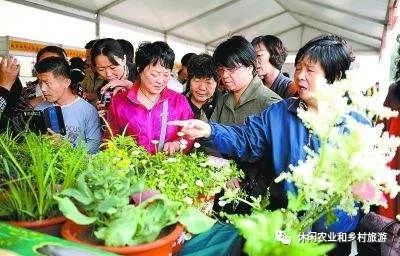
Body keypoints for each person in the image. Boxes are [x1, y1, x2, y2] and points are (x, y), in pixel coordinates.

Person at [170, 35, 364, 235]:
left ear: (337, 76)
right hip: (286, 227)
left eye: (310, 70)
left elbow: (368, 185)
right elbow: (247, 138)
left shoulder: (358, 126)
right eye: (298, 68)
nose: (300, 76)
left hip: (334, 232)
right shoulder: (281, 112)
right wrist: (210, 130)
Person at [106, 41, 194, 155]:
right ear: (139, 70)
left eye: (166, 75)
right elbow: (110, 139)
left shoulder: (179, 102)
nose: (160, 80)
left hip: (167, 168)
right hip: (130, 168)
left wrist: (177, 144)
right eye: (154, 74)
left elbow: (190, 135)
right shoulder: (119, 102)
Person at [35, 57, 101, 154]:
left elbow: (94, 146)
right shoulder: (40, 109)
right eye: (40, 83)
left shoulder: (88, 111)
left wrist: (66, 148)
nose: (43, 89)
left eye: (47, 83)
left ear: (66, 82)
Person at [186, 53, 219, 121]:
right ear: (189, 80)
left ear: (217, 83)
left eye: (208, 82)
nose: (202, 88)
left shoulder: (222, 102)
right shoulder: (179, 101)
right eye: (197, 80)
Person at [81, 39, 104, 105]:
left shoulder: (109, 76)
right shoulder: (90, 73)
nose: (87, 62)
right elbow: (82, 88)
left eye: (89, 58)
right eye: (87, 57)